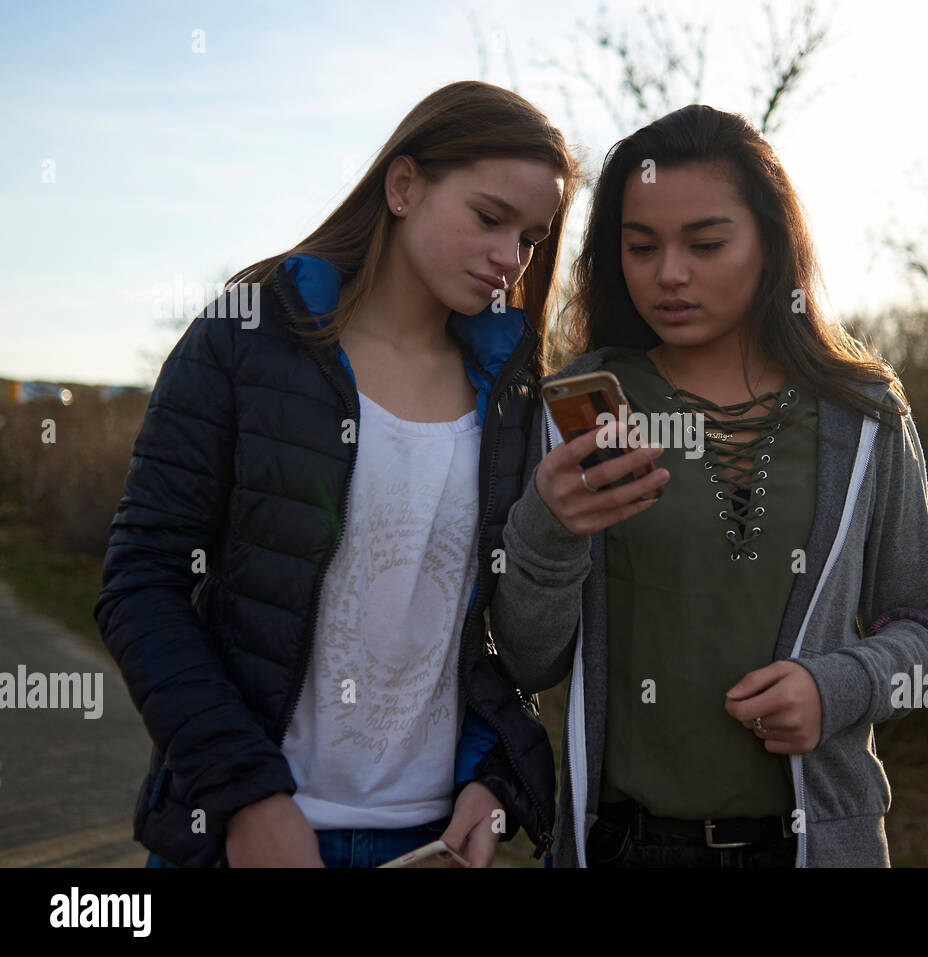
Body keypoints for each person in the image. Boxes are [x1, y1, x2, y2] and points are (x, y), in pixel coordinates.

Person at [94, 81, 579, 868]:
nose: (509, 258)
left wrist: (492, 776)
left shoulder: (515, 394)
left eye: (529, 237)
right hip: (247, 833)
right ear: (403, 185)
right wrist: (246, 793)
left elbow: (489, 630)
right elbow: (141, 581)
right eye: (490, 218)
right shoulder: (244, 338)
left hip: (428, 842)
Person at [488, 104, 928, 867]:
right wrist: (547, 530)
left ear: (771, 242)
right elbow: (529, 661)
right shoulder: (575, 411)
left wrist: (836, 685)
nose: (670, 273)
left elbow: (922, 636)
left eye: (706, 243)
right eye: (641, 246)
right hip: (625, 847)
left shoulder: (864, 415)